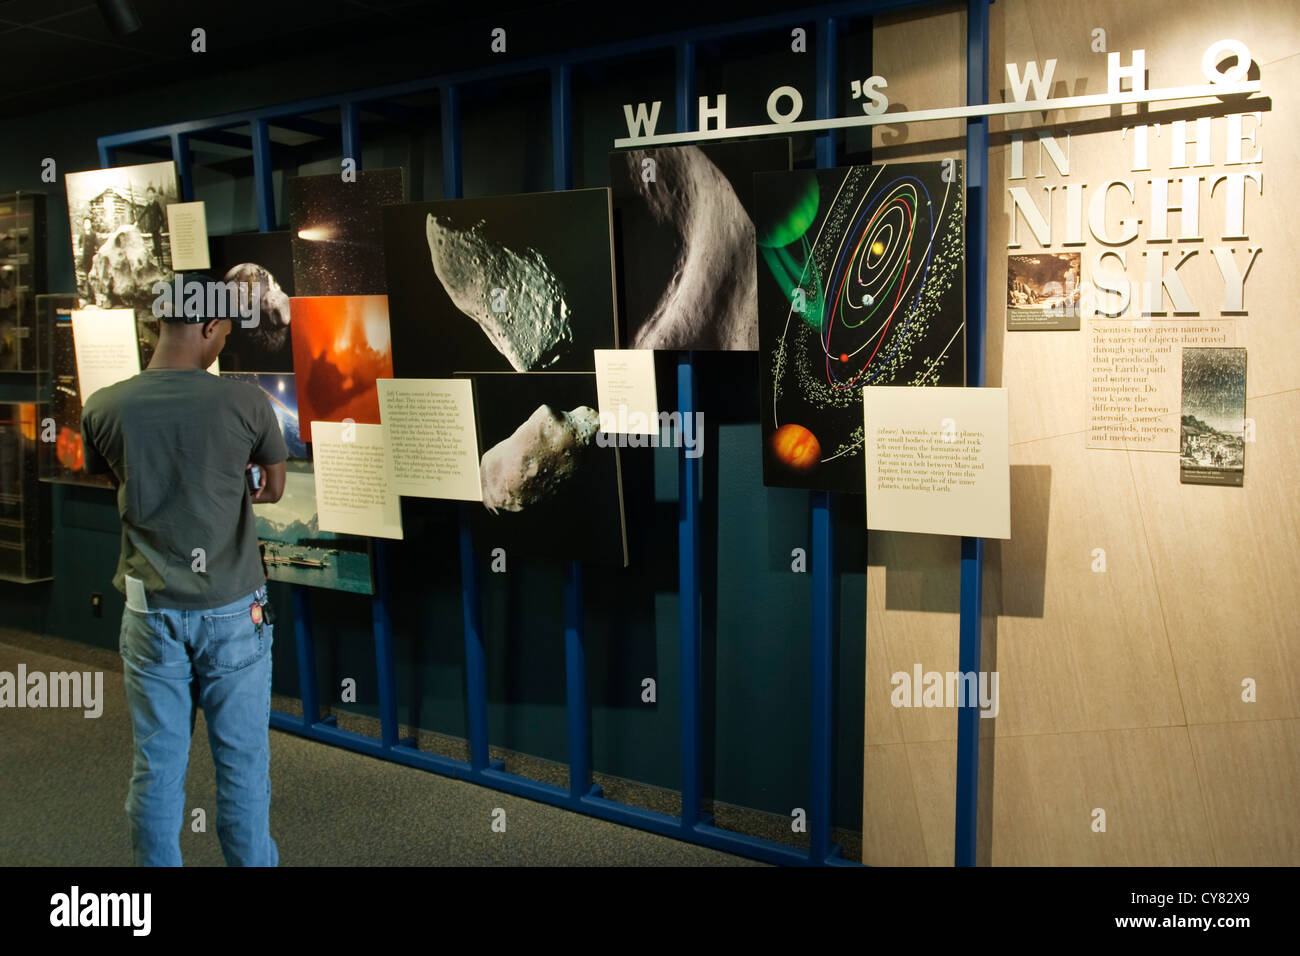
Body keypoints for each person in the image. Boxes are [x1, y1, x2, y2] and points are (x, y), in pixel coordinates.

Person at [80, 275, 288, 866]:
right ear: (207, 326)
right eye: (223, 329)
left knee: (156, 767)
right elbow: (270, 489)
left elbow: (117, 479)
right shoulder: (246, 402)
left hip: (150, 613)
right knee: (243, 767)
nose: (224, 340)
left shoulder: (104, 406)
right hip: (232, 613)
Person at [136, 186, 165, 264]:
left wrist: (161, 226)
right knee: (155, 245)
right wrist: (137, 222)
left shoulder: (156, 204)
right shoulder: (148, 205)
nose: (150, 194)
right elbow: (143, 213)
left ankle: (162, 263)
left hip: (157, 227)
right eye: (148, 193)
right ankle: (159, 263)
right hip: (152, 228)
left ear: (154, 194)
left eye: (151, 192)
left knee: (159, 245)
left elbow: (162, 216)